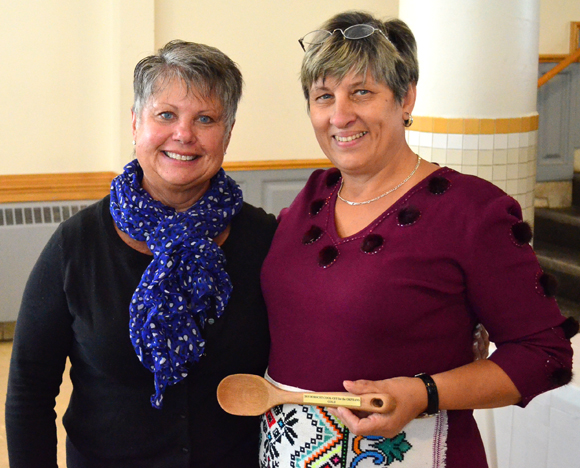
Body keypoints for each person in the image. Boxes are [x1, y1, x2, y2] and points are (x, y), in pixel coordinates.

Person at [258, 11, 577, 468]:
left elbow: (544, 354)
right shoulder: (311, 197)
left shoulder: (471, 212)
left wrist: (423, 392)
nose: (340, 114)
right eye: (323, 96)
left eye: (362, 92)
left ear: (405, 98)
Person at [5, 40, 277, 467]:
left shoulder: (264, 240)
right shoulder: (75, 246)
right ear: (135, 124)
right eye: (165, 114)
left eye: (205, 118)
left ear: (227, 135)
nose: (183, 134)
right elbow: (29, 392)